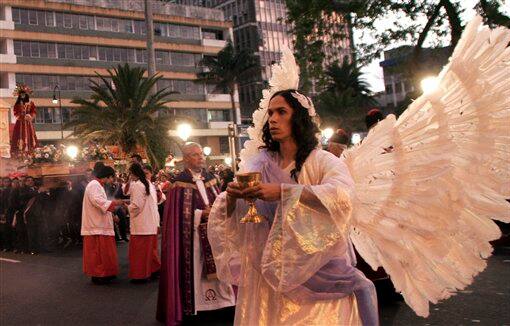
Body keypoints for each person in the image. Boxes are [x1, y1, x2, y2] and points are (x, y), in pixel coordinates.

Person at [208, 89, 378, 325]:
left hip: (317, 273)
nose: (273, 119)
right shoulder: (259, 163)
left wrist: (283, 192)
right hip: (268, 275)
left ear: (298, 118)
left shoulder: (322, 161)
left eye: (281, 112)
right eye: (270, 113)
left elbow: (343, 197)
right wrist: (232, 199)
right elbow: (241, 219)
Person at [157, 142, 236, 325]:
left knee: (221, 271)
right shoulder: (178, 183)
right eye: (195, 154)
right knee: (196, 272)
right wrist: (201, 214)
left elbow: (221, 203)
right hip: (191, 240)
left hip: (215, 235)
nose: (200, 157)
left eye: (201, 154)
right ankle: (197, 308)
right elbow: (176, 217)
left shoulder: (211, 178)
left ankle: (223, 305)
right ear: (185, 159)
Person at [81, 164, 124, 285]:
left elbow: (102, 202)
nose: (112, 181)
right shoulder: (94, 185)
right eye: (111, 178)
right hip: (96, 224)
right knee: (98, 253)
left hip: (100, 222)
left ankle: (105, 273)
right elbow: (98, 201)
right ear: (107, 176)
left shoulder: (98, 185)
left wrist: (112, 213)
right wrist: (114, 203)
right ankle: (99, 274)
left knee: (102, 252)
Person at [126, 163, 161, 282]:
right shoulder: (148, 184)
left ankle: (140, 276)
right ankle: (153, 271)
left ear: (133, 173)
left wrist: (128, 208)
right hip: (151, 223)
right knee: (150, 251)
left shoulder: (137, 185)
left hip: (141, 224)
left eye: (130, 174)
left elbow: (136, 206)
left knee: (139, 253)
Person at [10, 85, 38, 157]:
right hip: (20, 124)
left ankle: (31, 153)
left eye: (24, 94)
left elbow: (34, 111)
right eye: (21, 94)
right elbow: (16, 113)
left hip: (29, 124)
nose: (23, 95)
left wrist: (30, 115)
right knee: (19, 137)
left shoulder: (31, 103)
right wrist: (23, 116)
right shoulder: (17, 104)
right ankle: (19, 154)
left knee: (31, 136)